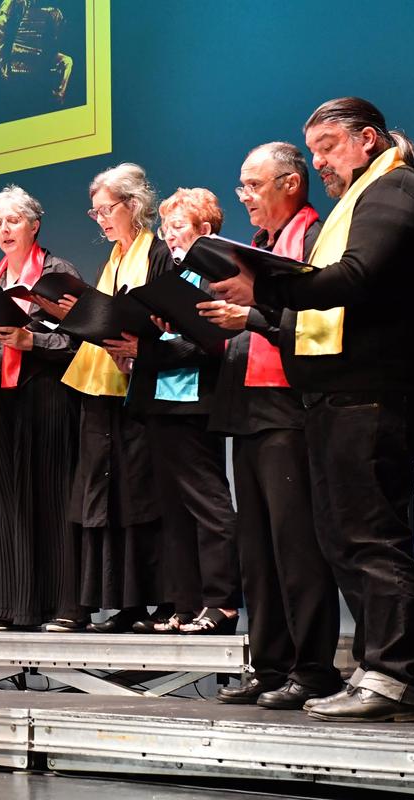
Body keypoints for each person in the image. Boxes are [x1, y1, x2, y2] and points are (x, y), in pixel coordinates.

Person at [212, 97, 414, 722]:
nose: (320, 164)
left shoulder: (397, 192)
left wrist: (265, 286)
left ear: (367, 140)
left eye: (328, 149)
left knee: (369, 536)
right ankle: (381, 675)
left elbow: (357, 276)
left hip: (375, 390)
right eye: (312, 152)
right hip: (343, 394)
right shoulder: (366, 196)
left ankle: (393, 676)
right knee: (346, 536)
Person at [201, 143, 341, 708]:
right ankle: (269, 663)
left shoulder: (313, 237)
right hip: (247, 407)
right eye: (241, 187)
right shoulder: (256, 245)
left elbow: (315, 320)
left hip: (289, 406)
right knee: (256, 548)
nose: (245, 198)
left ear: (289, 183)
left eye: (252, 186)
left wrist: (250, 316)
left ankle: (313, 669)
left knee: (296, 546)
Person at [0, 184, 82, 632]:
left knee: (49, 495)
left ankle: (63, 605)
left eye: (12, 220)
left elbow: (82, 340)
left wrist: (34, 341)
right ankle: (10, 605)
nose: (4, 229)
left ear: (34, 224)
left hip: (43, 392)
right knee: (4, 499)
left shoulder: (56, 271)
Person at [55, 164, 167, 633]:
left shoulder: (156, 254)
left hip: (139, 391)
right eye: (95, 211)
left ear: (134, 205)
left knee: (138, 496)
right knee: (104, 497)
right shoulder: (114, 260)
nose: (99, 219)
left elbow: (166, 321)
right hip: (102, 388)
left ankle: (148, 600)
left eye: (107, 209)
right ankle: (120, 601)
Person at [127, 188, 241, 636]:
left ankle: (222, 603)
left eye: (178, 228)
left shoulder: (217, 278)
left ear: (205, 231)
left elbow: (211, 343)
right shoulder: (172, 279)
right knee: (173, 508)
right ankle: (185, 602)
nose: (169, 236)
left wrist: (151, 350)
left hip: (196, 402)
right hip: (161, 401)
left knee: (208, 504)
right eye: (165, 228)